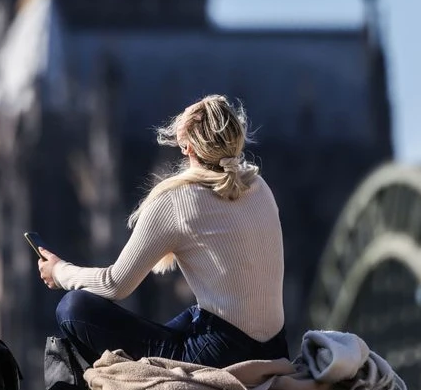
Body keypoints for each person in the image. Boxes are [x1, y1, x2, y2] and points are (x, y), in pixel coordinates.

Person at [36, 95, 289, 368]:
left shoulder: (177, 200)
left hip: (222, 355)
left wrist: (60, 271)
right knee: (195, 316)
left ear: (187, 148)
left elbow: (115, 284)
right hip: (275, 348)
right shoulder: (259, 186)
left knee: (72, 308)